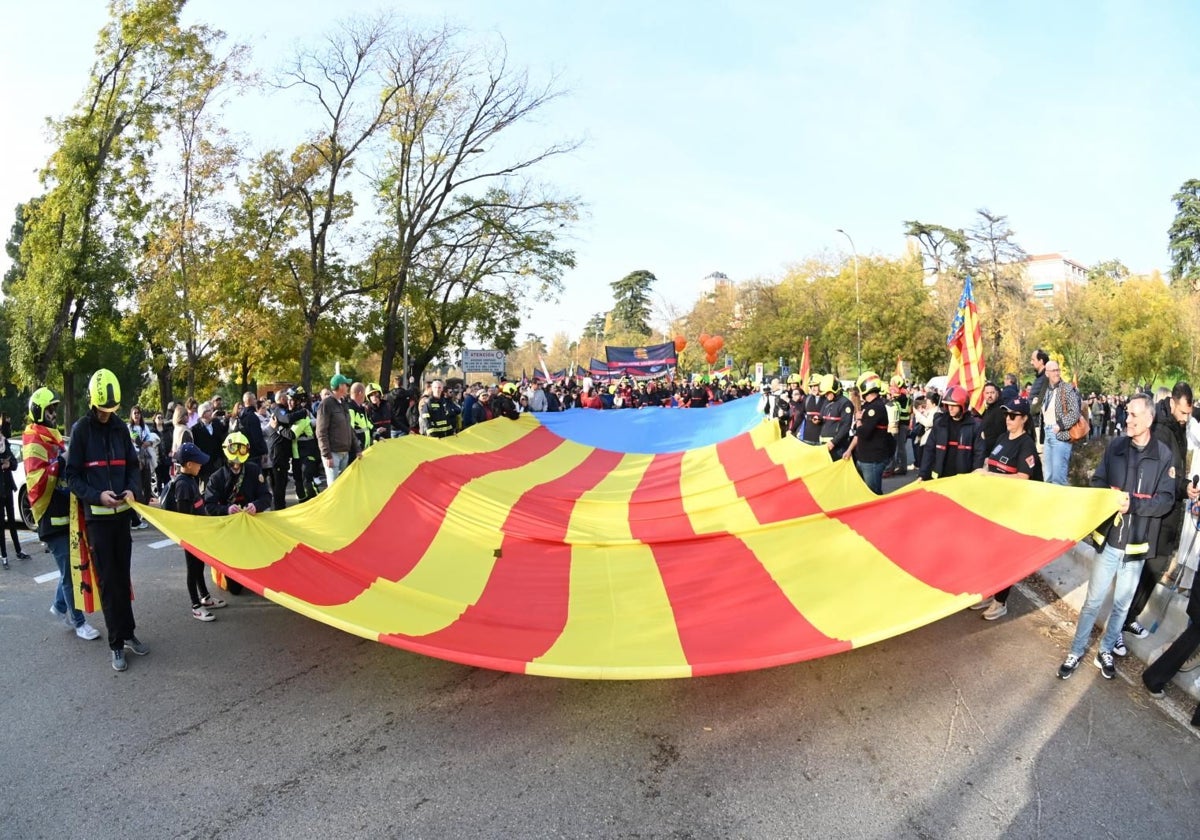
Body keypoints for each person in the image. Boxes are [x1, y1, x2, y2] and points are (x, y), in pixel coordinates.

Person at [1058, 394, 1175, 681]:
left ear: (1149, 419)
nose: (1127, 419)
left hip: (1136, 549)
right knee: (1093, 601)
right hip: (1109, 542)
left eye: (1133, 415)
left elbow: (1166, 501)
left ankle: (1106, 650)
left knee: (1122, 605)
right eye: (1127, 413)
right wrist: (1108, 498)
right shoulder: (1116, 447)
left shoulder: (1163, 456)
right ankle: (1076, 649)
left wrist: (1133, 504)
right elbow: (1098, 481)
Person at [64, 369, 148, 672]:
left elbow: (134, 466)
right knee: (108, 582)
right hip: (97, 521)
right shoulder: (81, 431)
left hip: (121, 518)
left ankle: (129, 633)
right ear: (93, 403)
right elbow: (71, 476)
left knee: (122, 578)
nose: (106, 415)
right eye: (102, 410)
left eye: (111, 410)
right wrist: (97, 496)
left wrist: (132, 489)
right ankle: (116, 644)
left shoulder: (120, 428)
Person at [22, 388, 101, 639]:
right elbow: (38, 480)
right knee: (71, 571)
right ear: (38, 411)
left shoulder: (53, 436)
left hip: (66, 516)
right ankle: (79, 623)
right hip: (50, 520)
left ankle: (58, 606)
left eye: (55, 409)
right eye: (50, 410)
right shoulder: (33, 440)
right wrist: (64, 460)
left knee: (70, 567)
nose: (54, 414)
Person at [1120, 382, 1191, 645]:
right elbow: (1164, 477)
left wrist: (1185, 487)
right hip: (1156, 512)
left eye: (1188, 414)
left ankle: (1128, 618)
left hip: (1170, 508)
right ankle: (1122, 621)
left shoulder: (1176, 427)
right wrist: (1183, 487)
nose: (1186, 418)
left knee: (1154, 567)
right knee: (1146, 567)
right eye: (1183, 412)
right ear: (1172, 403)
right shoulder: (1161, 431)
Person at [971, 396, 1043, 620]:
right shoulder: (1003, 437)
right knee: (987, 554)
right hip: (994, 506)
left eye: (1013, 416)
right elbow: (991, 462)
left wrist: (989, 475)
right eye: (1006, 415)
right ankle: (987, 591)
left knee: (1003, 558)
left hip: (1013, 510)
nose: (1008, 419)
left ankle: (1000, 601)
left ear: (1023, 419)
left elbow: (1023, 477)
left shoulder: (1026, 444)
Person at [166, 442, 226, 622]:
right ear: (189, 464)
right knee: (192, 570)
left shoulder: (190, 479)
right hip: (191, 536)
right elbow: (184, 516)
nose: (201, 465)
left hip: (198, 534)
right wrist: (191, 536)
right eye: (198, 462)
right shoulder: (183, 484)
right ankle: (195, 606)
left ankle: (205, 598)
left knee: (200, 566)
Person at [918, 386, 984, 481]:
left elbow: (979, 454)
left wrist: (974, 477)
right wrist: (923, 474)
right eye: (948, 405)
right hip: (940, 477)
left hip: (962, 480)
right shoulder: (940, 423)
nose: (950, 408)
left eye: (954, 405)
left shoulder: (974, 426)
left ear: (963, 406)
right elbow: (929, 450)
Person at [841, 372, 891, 495]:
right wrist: (849, 450)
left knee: (872, 493)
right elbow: (858, 434)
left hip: (872, 460)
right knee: (863, 492)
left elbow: (863, 433)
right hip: (864, 458)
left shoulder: (875, 408)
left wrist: (858, 419)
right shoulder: (869, 406)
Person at [1038, 360, 1081, 486]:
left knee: (1058, 478)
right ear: (1047, 373)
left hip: (1061, 435)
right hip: (1047, 434)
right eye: (1053, 371)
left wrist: (1060, 425)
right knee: (1048, 477)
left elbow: (1075, 412)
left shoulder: (1067, 388)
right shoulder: (1046, 390)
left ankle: (1062, 505)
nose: (1057, 373)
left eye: (1058, 370)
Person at [316, 373, 359, 483]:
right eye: (346, 384)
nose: (348, 387)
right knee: (334, 488)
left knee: (343, 486)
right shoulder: (326, 404)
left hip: (345, 452)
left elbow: (348, 428)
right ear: (340, 386)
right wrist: (327, 455)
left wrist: (357, 448)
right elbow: (321, 431)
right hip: (333, 454)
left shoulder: (343, 403)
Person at [0, 414, 32, 563]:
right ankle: (4, 554)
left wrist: (8, 464)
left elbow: (13, 462)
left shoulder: (5, 443)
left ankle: (18, 550)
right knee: (1, 522)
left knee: (12, 521)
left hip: (7, 487)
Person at [816, 375, 854, 460]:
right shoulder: (827, 402)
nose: (826, 395)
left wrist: (834, 442)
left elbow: (846, 426)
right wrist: (818, 419)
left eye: (828, 393)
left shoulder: (845, 403)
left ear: (835, 389)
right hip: (824, 444)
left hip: (838, 447)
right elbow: (822, 416)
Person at [1027, 349, 1050, 447]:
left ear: (1041, 361)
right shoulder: (1039, 378)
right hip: (1034, 423)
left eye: (1033, 360)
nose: (1031, 362)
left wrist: (1033, 408)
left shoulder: (1046, 378)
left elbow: (1041, 401)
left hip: (1039, 425)